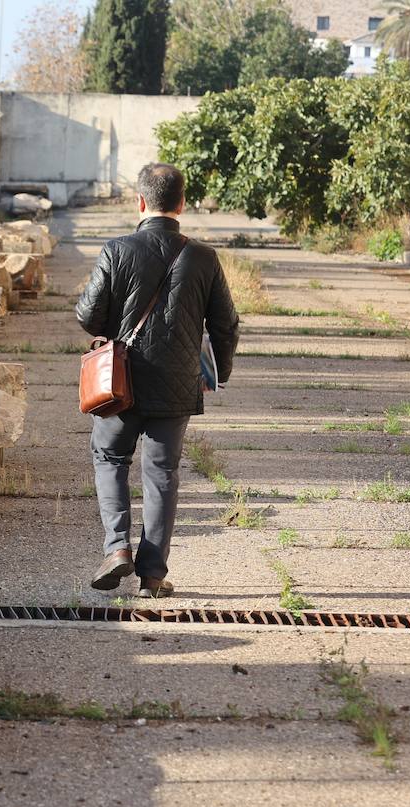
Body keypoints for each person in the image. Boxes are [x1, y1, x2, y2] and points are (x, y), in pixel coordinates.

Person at [75, 163, 240, 598]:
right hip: (177, 384)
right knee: (162, 473)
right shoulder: (204, 258)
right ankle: (152, 577)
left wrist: (112, 327)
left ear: (141, 202)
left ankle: (116, 550)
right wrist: (217, 372)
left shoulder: (116, 250)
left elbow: (87, 315)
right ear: (182, 204)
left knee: (110, 458)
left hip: (120, 382)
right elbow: (226, 325)